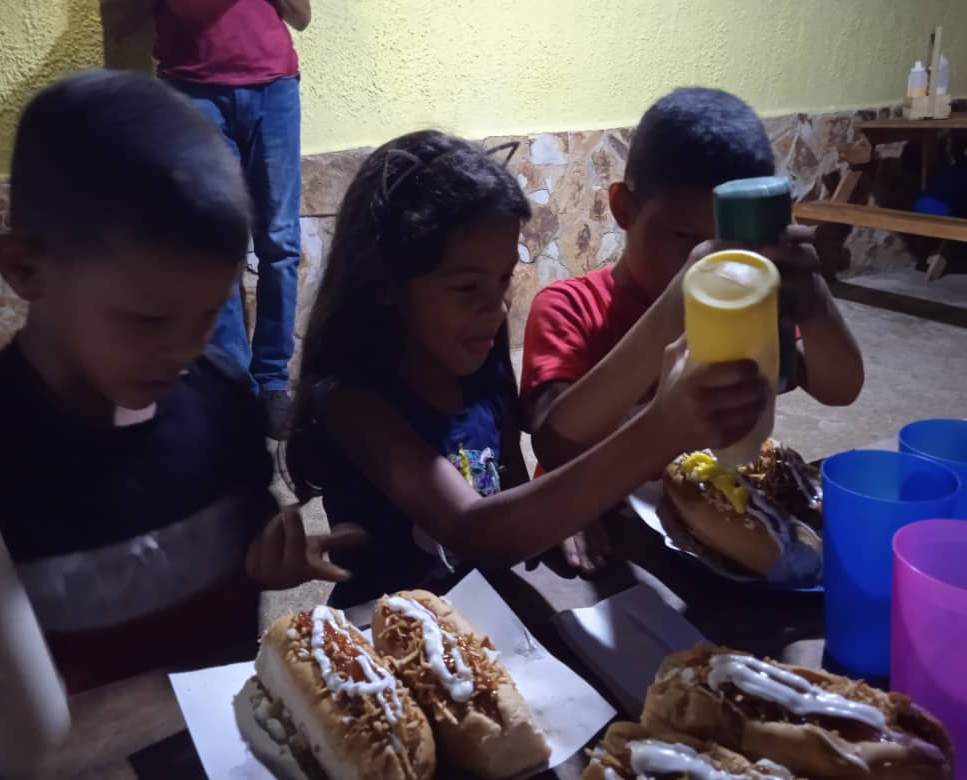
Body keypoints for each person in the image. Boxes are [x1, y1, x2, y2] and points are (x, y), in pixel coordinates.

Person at [0, 71, 363, 693]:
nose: (185, 352)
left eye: (209, 314)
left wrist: (264, 563)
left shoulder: (224, 405)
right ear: (25, 268)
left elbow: (237, 559)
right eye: (149, 319)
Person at [285, 130, 774, 608]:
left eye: (503, 280)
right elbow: (474, 531)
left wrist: (555, 513)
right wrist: (661, 428)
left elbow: (512, 487)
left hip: (489, 615)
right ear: (384, 286)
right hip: (382, 632)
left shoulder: (481, 371)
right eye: (466, 288)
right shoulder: (354, 404)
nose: (497, 310)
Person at [520, 88, 865, 576]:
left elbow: (840, 389)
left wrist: (813, 297)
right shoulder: (570, 307)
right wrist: (675, 307)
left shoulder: (750, 308)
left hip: (709, 522)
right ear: (624, 208)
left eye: (731, 247)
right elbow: (555, 444)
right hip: (597, 525)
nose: (706, 262)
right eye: (685, 237)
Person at [101, 0, 312, 437]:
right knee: (214, 248)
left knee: (280, 242)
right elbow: (117, 21)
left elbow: (301, 15)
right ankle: (235, 387)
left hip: (274, 89)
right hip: (190, 93)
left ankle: (273, 380)